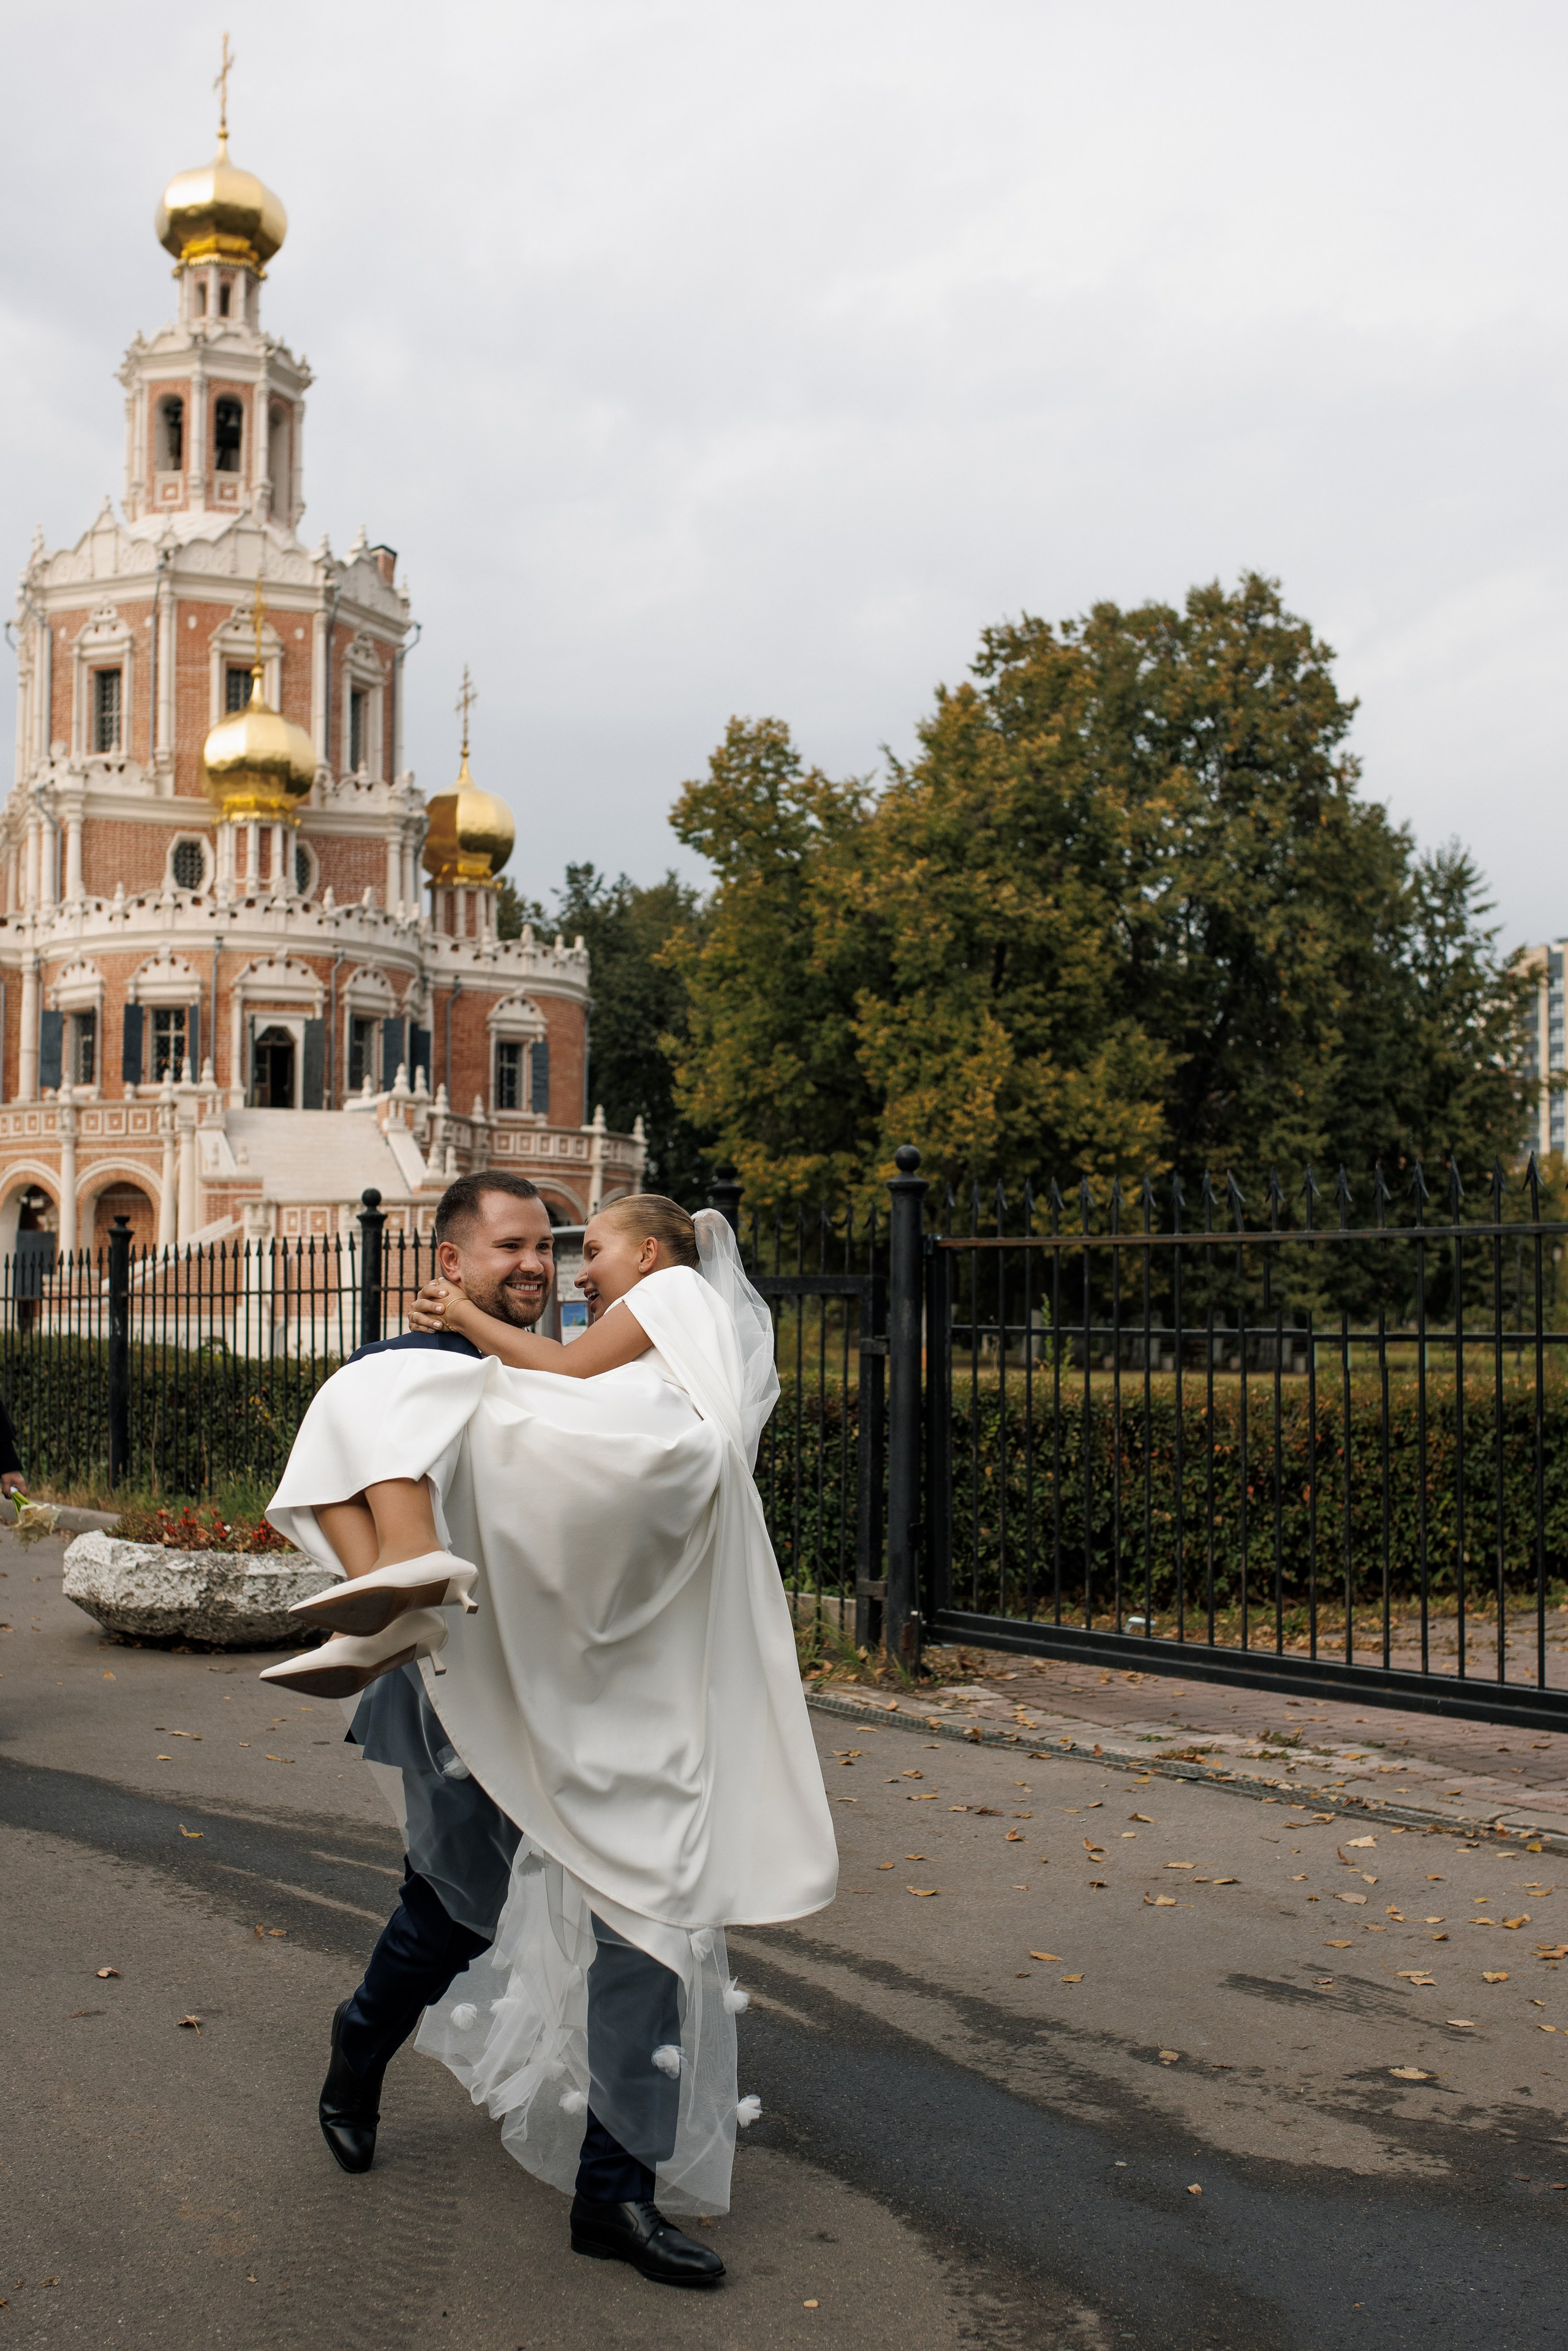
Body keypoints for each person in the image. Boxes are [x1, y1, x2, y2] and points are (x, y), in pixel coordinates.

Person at [263, 1180, 837, 2286]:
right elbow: (359, 1455)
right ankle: (359, 2045)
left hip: (610, 1682)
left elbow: (631, 1465)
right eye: (512, 1246)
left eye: (553, 1245)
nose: (541, 1265)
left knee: (647, 1918)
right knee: (456, 1905)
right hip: (464, 1674)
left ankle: (614, 2195)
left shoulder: (604, 1368)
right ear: (451, 1260)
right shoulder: (415, 1366)